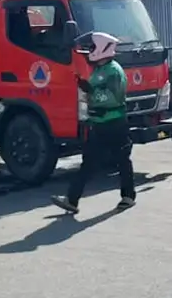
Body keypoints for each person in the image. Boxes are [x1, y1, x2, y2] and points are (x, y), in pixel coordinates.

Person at [52, 32, 135, 214]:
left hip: (114, 123)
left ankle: (128, 197)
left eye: (92, 47)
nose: (89, 51)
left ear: (102, 48)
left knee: (122, 159)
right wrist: (88, 90)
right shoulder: (98, 70)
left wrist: (92, 91)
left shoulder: (114, 71)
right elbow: (94, 93)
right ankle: (72, 200)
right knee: (88, 162)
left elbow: (114, 97)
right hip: (98, 123)